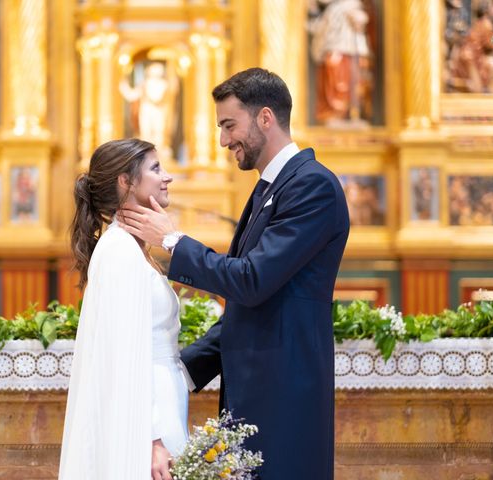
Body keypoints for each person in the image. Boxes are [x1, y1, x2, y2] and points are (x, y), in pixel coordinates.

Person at [119, 68, 350, 480]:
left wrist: (173, 241)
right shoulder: (268, 188)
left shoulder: (312, 185)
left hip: (285, 392)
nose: (224, 140)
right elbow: (248, 306)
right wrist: (181, 371)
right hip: (257, 391)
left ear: (265, 118)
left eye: (229, 125)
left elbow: (250, 281)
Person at [59, 138, 188, 480]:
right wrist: (153, 439)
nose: (167, 177)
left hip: (163, 400)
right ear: (125, 181)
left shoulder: (132, 247)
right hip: (149, 418)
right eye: (156, 168)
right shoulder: (119, 251)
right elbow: (124, 354)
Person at [309, 0, 374, 125]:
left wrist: (359, 19)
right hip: (333, 47)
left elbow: (362, 21)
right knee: (334, 77)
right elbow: (319, 27)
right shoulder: (333, 10)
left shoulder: (353, 5)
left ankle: (351, 114)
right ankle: (333, 113)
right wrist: (313, 12)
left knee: (354, 82)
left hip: (352, 50)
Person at [120, 62, 179, 162]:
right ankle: (146, 154)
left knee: (159, 132)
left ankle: (159, 153)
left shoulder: (164, 84)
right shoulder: (144, 84)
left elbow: (172, 92)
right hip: (146, 111)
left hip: (159, 111)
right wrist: (123, 86)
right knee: (146, 131)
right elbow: (132, 95)